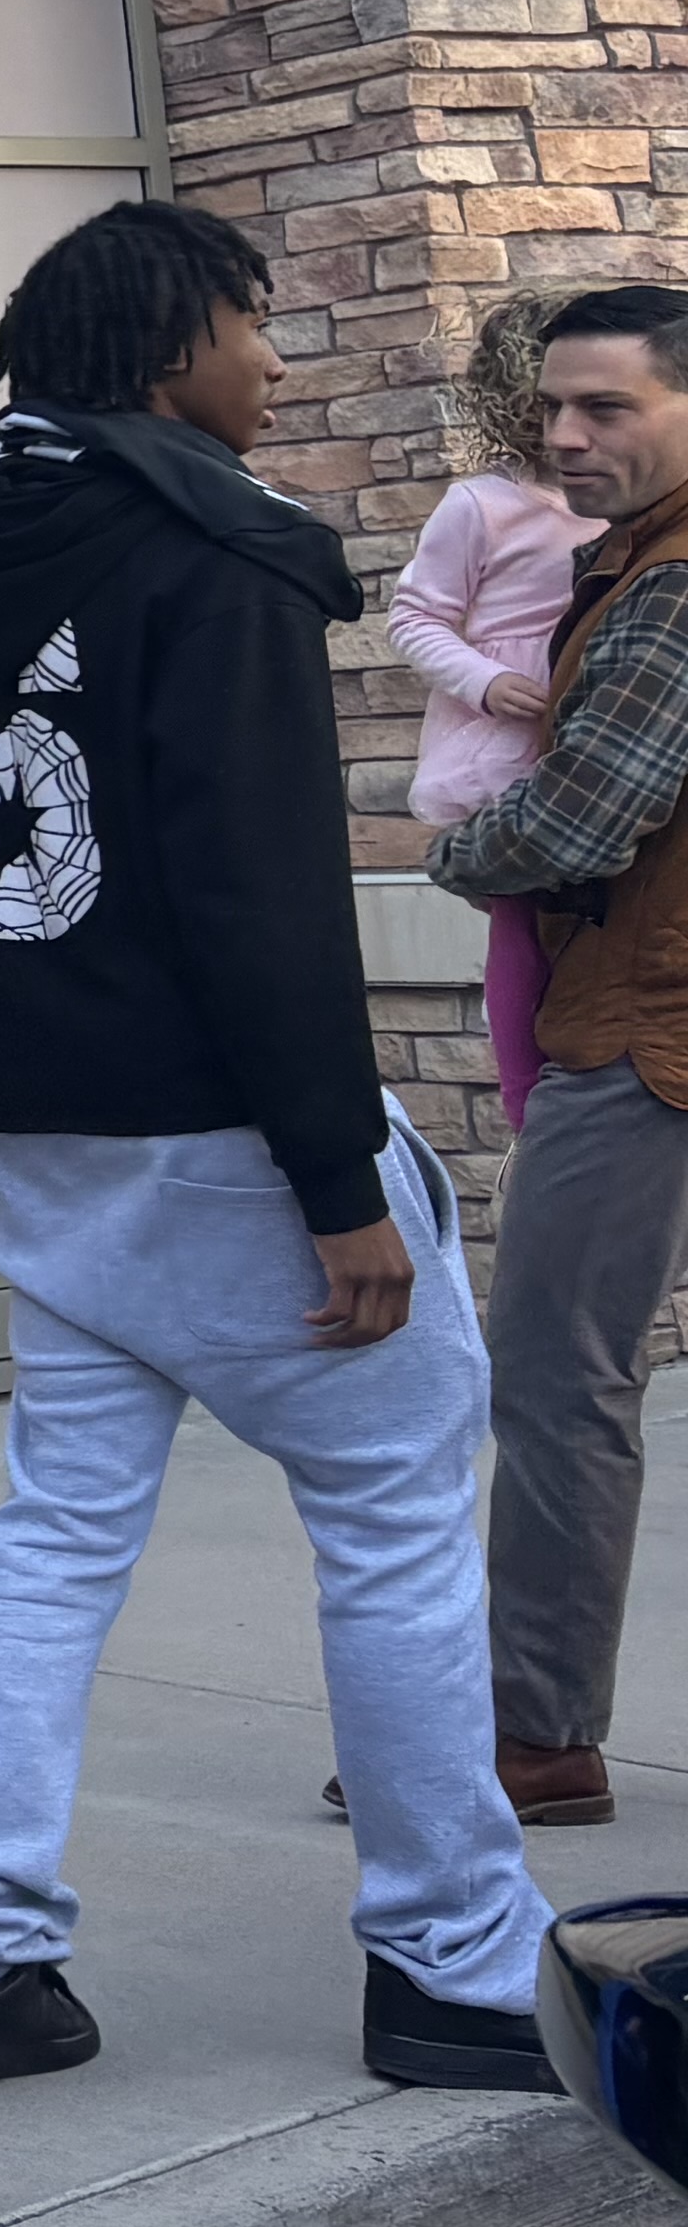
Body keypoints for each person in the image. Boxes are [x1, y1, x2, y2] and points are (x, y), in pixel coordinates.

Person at [0, 196, 555, 2098]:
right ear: (169, 346)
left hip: (54, 1146)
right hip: (231, 1150)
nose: (273, 360)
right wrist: (338, 1186)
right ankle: (456, 1962)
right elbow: (264, 902)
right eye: (252, 325)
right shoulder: (209, 556)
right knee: (398, 1525)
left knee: (55, 1537)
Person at [428, 278, 688, 1827]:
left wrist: (457, 847)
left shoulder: (670, 590)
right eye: (553, 407)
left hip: (644, 1031)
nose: (568, 435)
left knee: (557, 1378)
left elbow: (582, 818)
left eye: (608, 407)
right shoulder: (626, 565)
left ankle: (534, 1737)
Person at [391, 285, 598, 1128]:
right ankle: (523, 1104)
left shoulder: (632, 504)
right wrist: (481, 680)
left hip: (592, 720)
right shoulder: (481, 504)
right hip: (510, 737)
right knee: (517, 920)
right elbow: (414, 616)